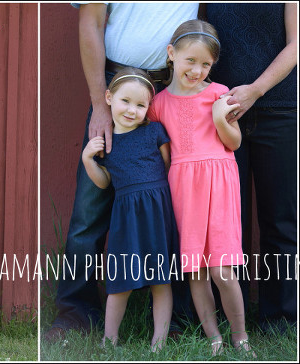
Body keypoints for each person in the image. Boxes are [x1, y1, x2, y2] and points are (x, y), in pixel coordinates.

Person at [45, 3, 198, 342]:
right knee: (89, 211)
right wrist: (101, 104)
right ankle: (75, 312)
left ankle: (179, 317)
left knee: (180, 206)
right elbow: (90, 21)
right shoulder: (113, 101)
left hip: (176, 91)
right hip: (121, 91)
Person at [147, 19, 254, 357]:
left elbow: (234, 143)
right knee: (196, 270)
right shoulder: (158, 104)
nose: (197, 70)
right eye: (190, 61)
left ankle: (240, 336)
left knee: (222, 268)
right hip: (183, 187)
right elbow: (161, 154)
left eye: (205, 63)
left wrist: (222, 117)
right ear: (171, 54)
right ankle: (214, 339)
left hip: (219, 182)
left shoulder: (218, 93)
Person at [204, 3, 298, 335]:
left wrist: (255, 91)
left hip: (280, 109)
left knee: (281, 223)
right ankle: (232, 320)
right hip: (223, 113)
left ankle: (281, 321)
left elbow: (296, 44)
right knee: (229, 227)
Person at [81, 68, 176, 352]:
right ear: (109, 98)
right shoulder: (106, 144)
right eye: (125, 101)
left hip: (157, 213)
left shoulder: (155, 132)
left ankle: (158, 342)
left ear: (149, 107)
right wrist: (89, 159)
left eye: (140, 104)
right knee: (120, 279)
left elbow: (170, 167)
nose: (132, 110)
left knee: (161, 279)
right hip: (125, 216)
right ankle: (109, 340)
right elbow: (104, 182)